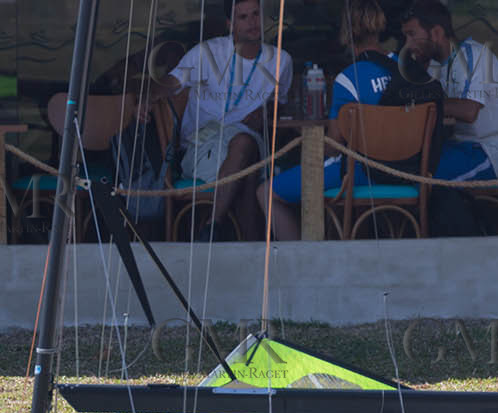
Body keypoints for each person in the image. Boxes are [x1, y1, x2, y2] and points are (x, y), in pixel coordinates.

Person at [151, 0, 294, 240]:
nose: (252, 23)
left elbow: (281, 102)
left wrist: (267, 111)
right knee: (247, 159)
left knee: (244, 145)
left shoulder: (281, 60)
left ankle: (213, 229)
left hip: (247, 143)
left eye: (255, 14)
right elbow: (169, 85)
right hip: (200, 147)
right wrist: (147, 97)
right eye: (243, 17)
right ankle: (243, 241)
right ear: (230, 24)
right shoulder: (205, 53)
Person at [260, 0, 397, 240]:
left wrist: (306, 141)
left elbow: (333, 148)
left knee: (266, 192)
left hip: (362, 171)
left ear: (348, 32)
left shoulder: (348, 79)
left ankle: (302, 262)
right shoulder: (404, 68)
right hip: (407, 169)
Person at [401, 0, 498, 181]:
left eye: (412, 34)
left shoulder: (472, 55)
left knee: (421, 178)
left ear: (436, 33)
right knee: (405, 166)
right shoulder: (433, 66)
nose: (408, 43)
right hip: (457, 147)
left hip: (486, 153)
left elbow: (469, 111)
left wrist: (425, 103)